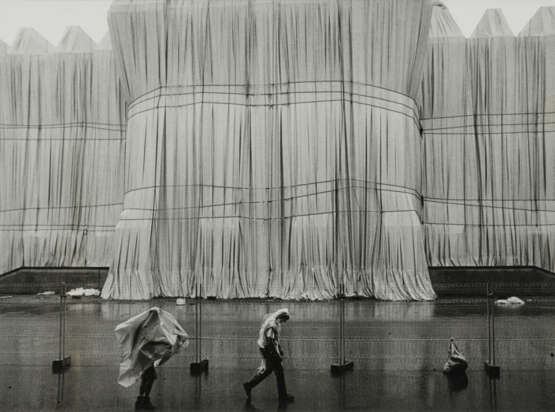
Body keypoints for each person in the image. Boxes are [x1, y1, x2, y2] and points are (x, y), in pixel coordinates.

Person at [114, 307, 189, 410]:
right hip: (145, 357)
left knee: (147, 377)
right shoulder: (149, 328)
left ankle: (142, 399)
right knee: (150, 377)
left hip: (145, 357)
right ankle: (143, 400)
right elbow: (151, 340)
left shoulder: (147, 326)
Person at [243, 308, 295, 405]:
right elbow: (270, 341)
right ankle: (282, 396)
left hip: (267, 349)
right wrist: (276, 355)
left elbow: (275, 340)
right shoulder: (272, 325)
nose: (284, 322)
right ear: (281, 317)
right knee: (278, 371)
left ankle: (249, 385)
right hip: (267, 349)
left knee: (270, 371)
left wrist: (279, 348)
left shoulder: (276, 323)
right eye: (284, 320)